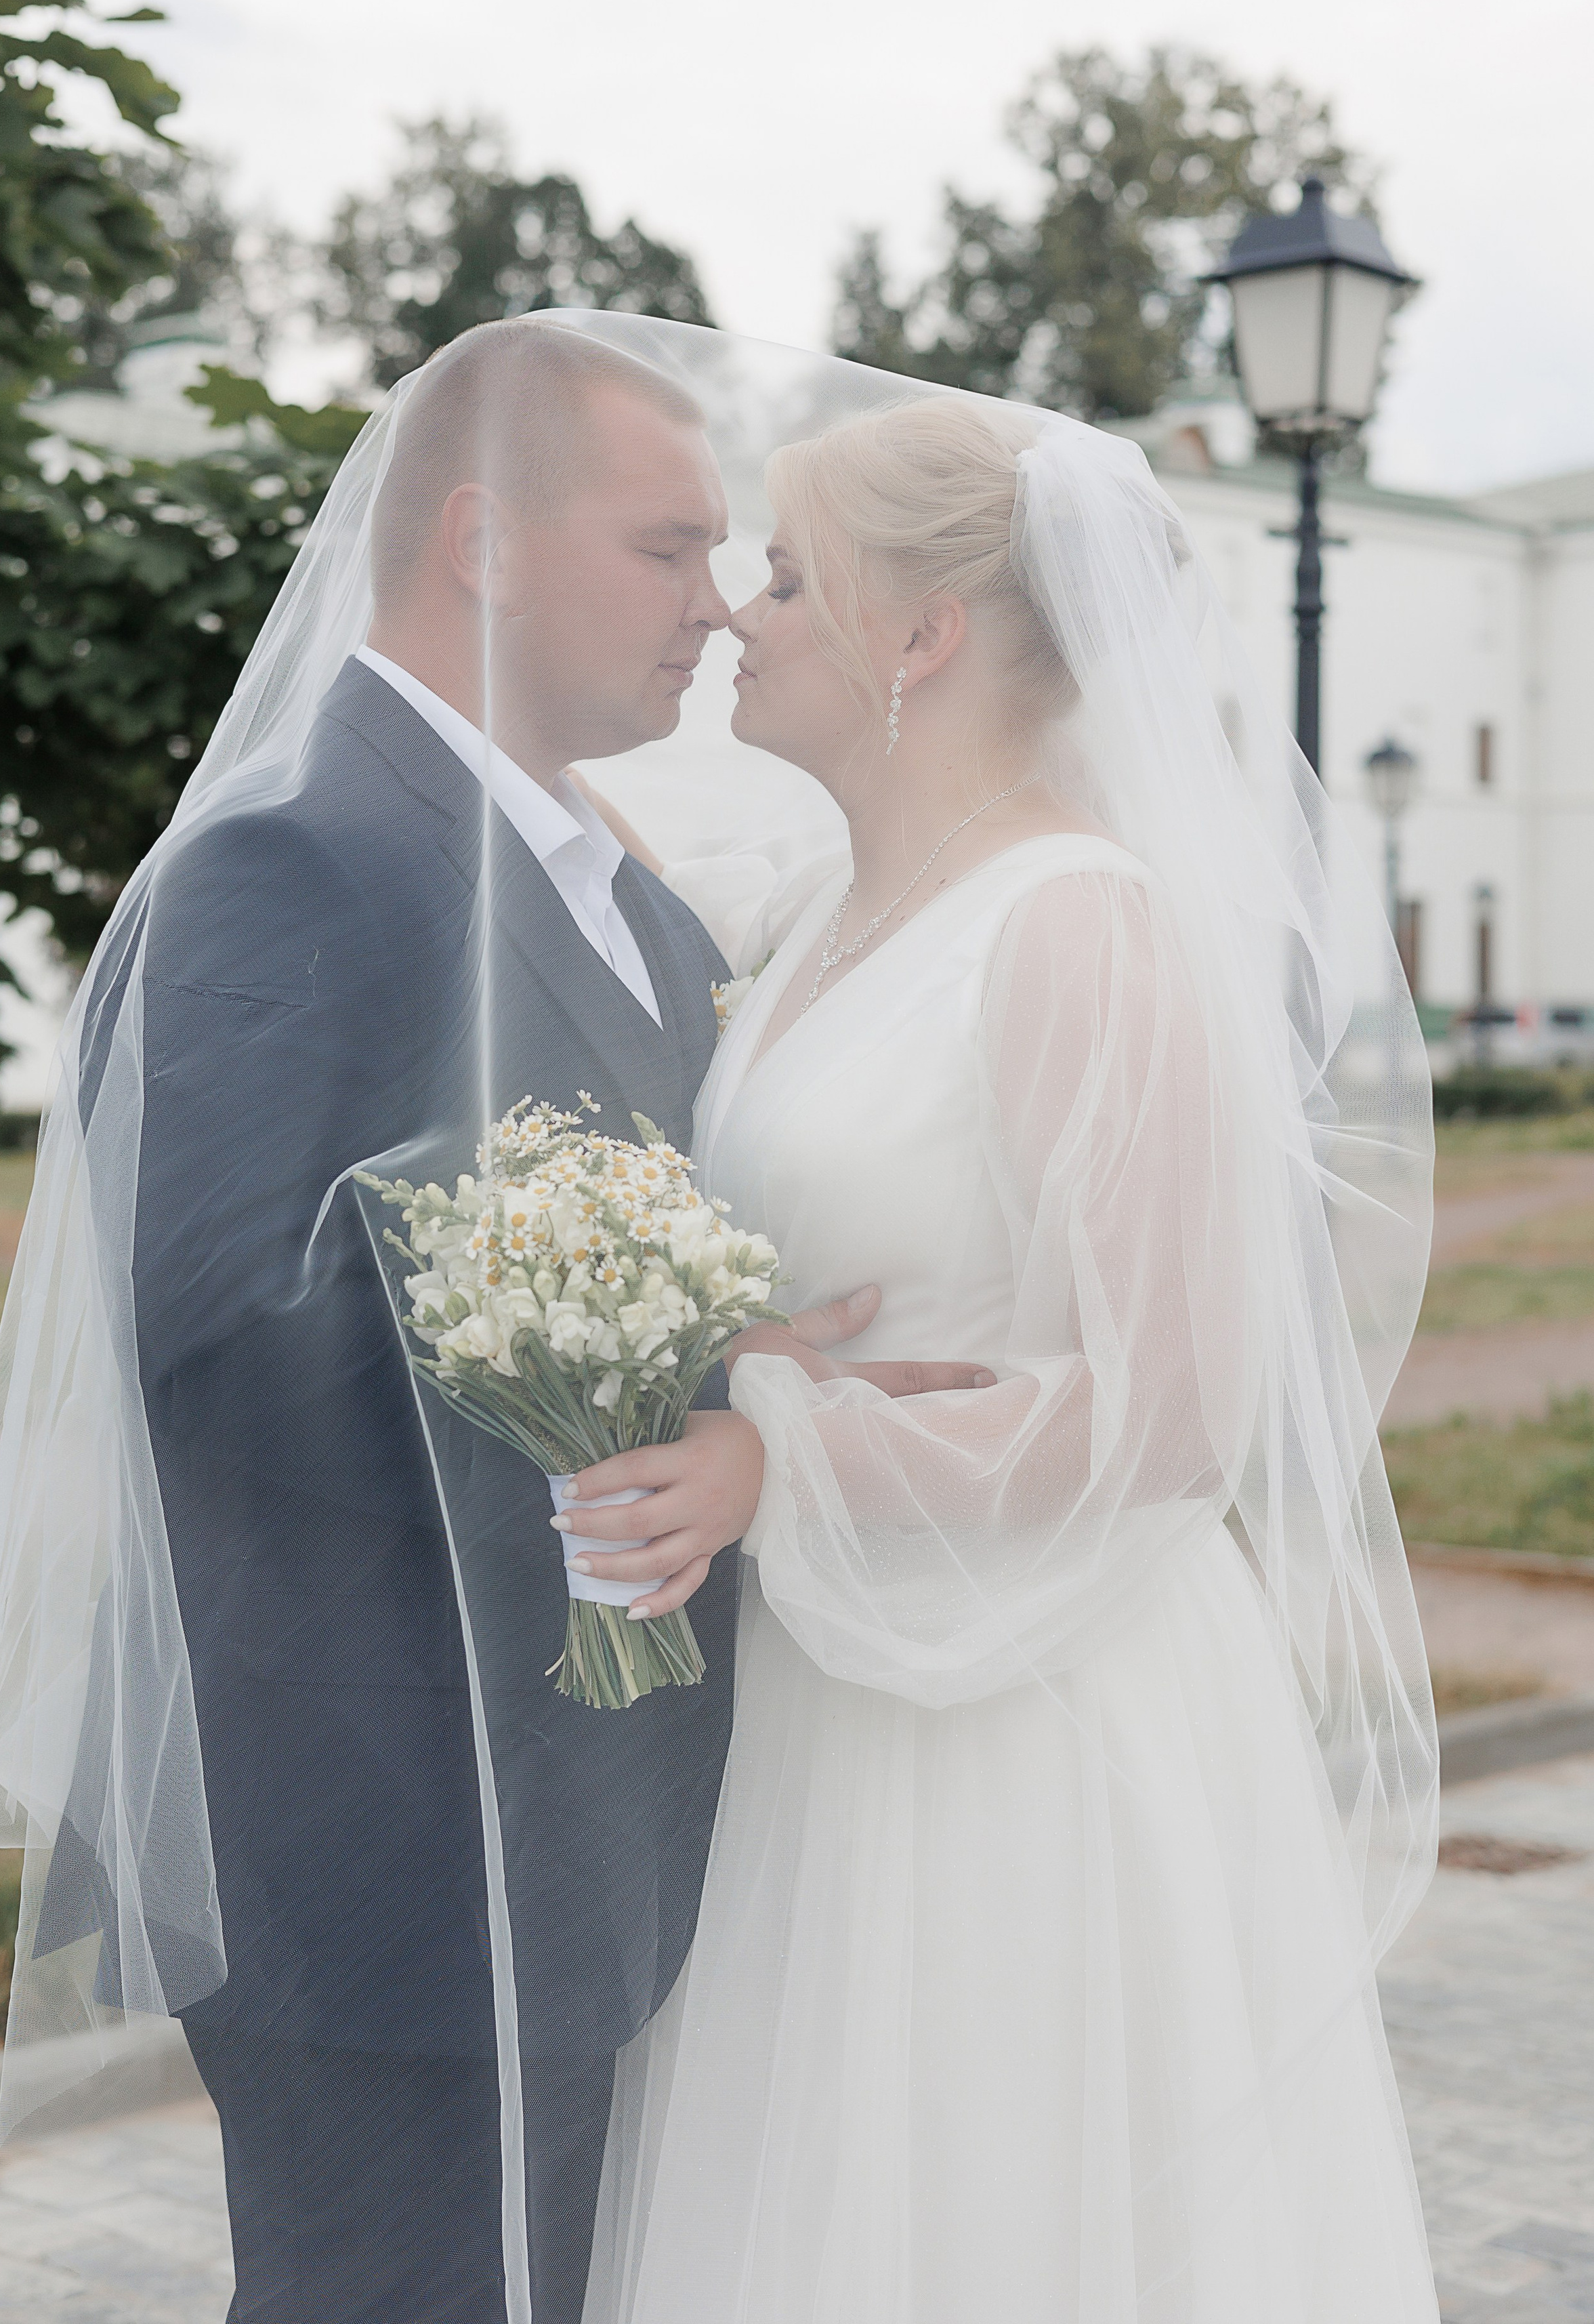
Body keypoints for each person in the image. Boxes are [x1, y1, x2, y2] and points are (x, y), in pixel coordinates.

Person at [0, 318, 986, 2324]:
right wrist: (689, 1377)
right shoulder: (287, 861)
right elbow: (221, 1329)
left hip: (609, 1828)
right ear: (481, 540)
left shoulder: (631, 903)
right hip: (391, 1851)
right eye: (668, 550)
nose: (717, 606)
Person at [560, 383, 1442, 2321]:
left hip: (1026, 1712)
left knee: (1000, 2214)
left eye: (788, 574)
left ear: (920, 633)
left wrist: (786, 1456)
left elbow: (1180, 1408)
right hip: (821, 1692)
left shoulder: (1080, 933)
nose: (740, 610)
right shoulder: (816, 925)